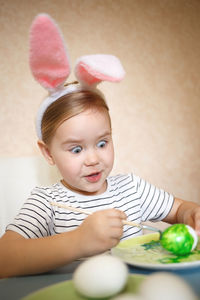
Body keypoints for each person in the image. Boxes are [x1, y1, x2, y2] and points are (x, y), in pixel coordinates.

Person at [0, 14, 200, 278]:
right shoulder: (47, 202)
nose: (93, 159)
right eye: (76, 149)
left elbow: (179, 209)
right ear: (48, 153)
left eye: (102, 143)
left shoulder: (132, 189)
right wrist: (79, 241)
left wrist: (191, 214)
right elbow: (4, 260)